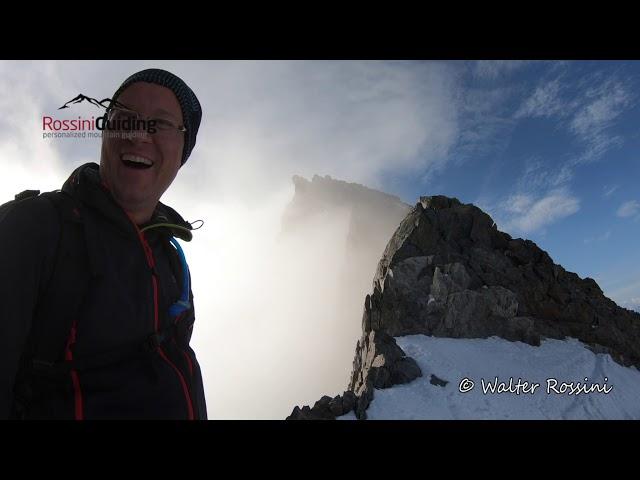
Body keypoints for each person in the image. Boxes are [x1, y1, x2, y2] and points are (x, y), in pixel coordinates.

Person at [0, 68, 207, 419]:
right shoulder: (33, 228)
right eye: (124, 118)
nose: (138, 135)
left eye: (158, 124)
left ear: (182, 148)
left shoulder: (171, 259)